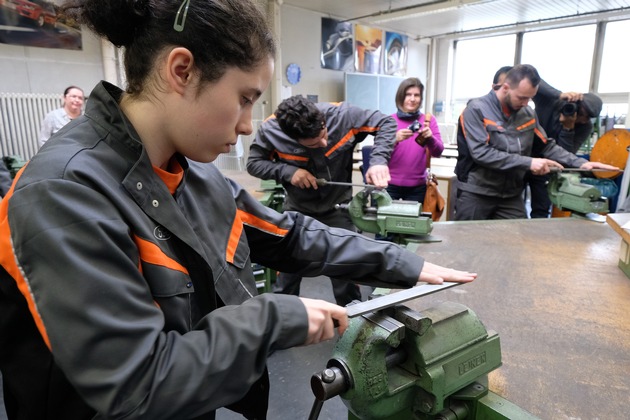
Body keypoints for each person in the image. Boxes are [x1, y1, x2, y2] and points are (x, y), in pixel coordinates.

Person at [0, 1, 477, 419]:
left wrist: (405, 264)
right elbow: (135, 387)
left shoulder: (195, 174)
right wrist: (273, 319)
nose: (249, 125)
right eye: (245, 98)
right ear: (181, 70)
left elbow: (288, 236)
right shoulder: (63, 193)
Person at [247, 95, 396, 306]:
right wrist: (288, 171)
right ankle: (283, 325)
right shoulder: (271, 131)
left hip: (339, 211)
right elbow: (253, 163)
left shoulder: (343, 116)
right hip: (298, 212)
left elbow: (386, 122)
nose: (324, 143)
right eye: (315, 143)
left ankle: (353, 326)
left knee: (345, 275)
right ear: (291, 138)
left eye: (324, 134)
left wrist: (379, 161)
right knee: (287, 276)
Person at [454, 64, 617, 221]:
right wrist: (529, 162)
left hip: (510, 195)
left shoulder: (527, 114)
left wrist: (581, 163)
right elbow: (481, 153)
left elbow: (546, 145)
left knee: (518, 242)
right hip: (477, 193)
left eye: (530, 99)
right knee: (469, 243)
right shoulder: (476, 110)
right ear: (505, 88)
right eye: (522, 98)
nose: (526, 104)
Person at [525, 79, 603, 218]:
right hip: (523, 158)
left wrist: (568, 128)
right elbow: (532, 78)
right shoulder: (553, 102)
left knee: (541, 210)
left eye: (588, 117)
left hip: (547, 168)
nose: (583, 120)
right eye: (582, 114)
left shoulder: (585, 127)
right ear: (574, 105)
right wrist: (559, 95)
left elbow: (566, 156)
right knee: (509, 203)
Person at [387, 77, 444, 204]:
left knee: (414, 223)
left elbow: (438, 152)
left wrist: (430, 138)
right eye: (408, 94)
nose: (412, 99)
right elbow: (378, 151)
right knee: (386, 222)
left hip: (417, 188)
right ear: (400, 97)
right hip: (388, 185)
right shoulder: (389, 121)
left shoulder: (429, 120)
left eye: (416, 95)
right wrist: (394, 139)